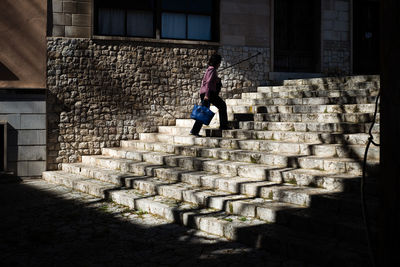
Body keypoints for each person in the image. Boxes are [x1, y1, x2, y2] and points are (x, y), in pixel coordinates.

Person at [190, 54, 229, 137]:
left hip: (206, 93)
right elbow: (208, 82)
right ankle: (223, 126)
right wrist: (207, 95)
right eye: (219, 62)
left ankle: (194, 131)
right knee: (222, 105)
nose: (220, 64)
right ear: (217, 62)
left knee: (203, 112)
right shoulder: (212, 70)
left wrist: (216, 80)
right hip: (208, 93)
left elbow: (209, 81)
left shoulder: (209, 69)